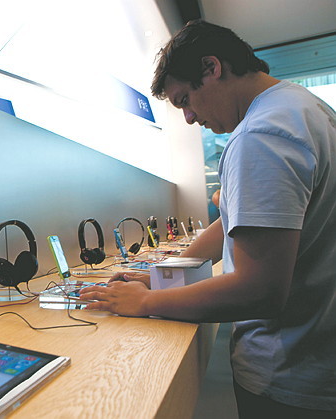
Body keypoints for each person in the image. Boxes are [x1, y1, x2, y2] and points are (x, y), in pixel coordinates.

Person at [80, 19, 336, 418]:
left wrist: (148, 301)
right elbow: (232, 220)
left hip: (290, 376)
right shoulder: (303, 108)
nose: (188, 118)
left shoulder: (261, 135)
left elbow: (260, 290)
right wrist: (158, 274)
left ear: (211, 68)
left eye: (184, 100)